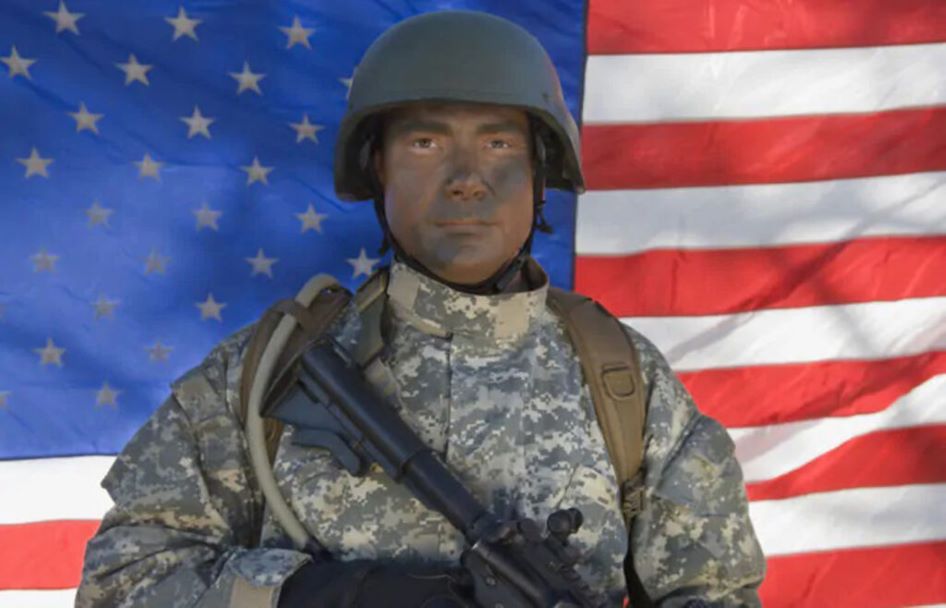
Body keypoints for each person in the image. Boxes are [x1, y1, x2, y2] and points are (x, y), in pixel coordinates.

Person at [77, 10, 765, 608]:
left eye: (499, 143)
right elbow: (124, 580)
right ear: (378, 166)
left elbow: (717, 593)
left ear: (540, 170)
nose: (466, 180)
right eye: (425, 143)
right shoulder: (265, 376)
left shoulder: (625, 384)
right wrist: (335, 595)